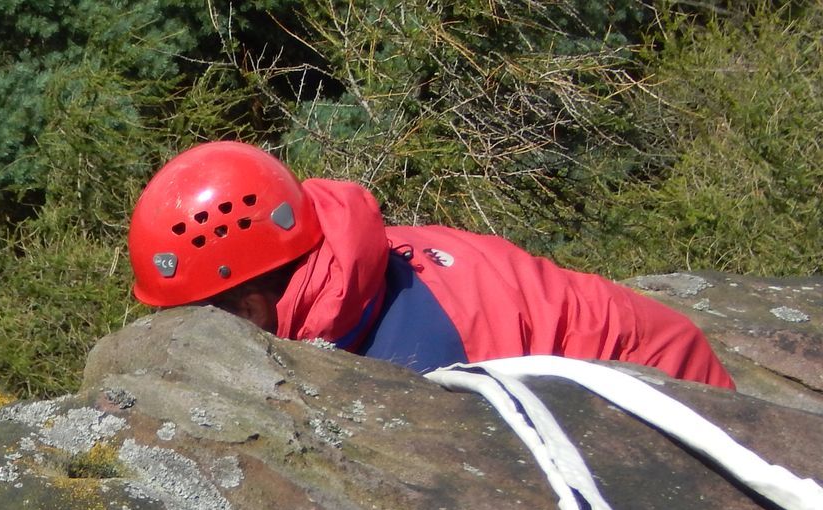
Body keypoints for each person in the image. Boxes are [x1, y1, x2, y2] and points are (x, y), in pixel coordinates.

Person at [127, 140, 733, 388]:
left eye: (197, 317)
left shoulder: (413, 358)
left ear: (255, 307)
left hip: (672, 390)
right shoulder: (348, 271)